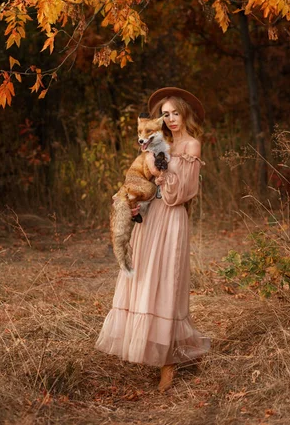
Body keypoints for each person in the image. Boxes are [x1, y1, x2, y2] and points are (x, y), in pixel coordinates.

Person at [95, 87, 211, 391]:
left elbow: (178, 194)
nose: (170, 119)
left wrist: (161, 176)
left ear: (185, 113)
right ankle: (153, 348)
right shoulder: (160, 143)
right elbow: (141, 181)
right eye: (165, 114)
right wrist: (136, 204)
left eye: (175, 112)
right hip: (150, 220)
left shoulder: (190, 146)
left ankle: (169, 363)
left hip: (171, 219)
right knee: (145, 280)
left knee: (166, 284)